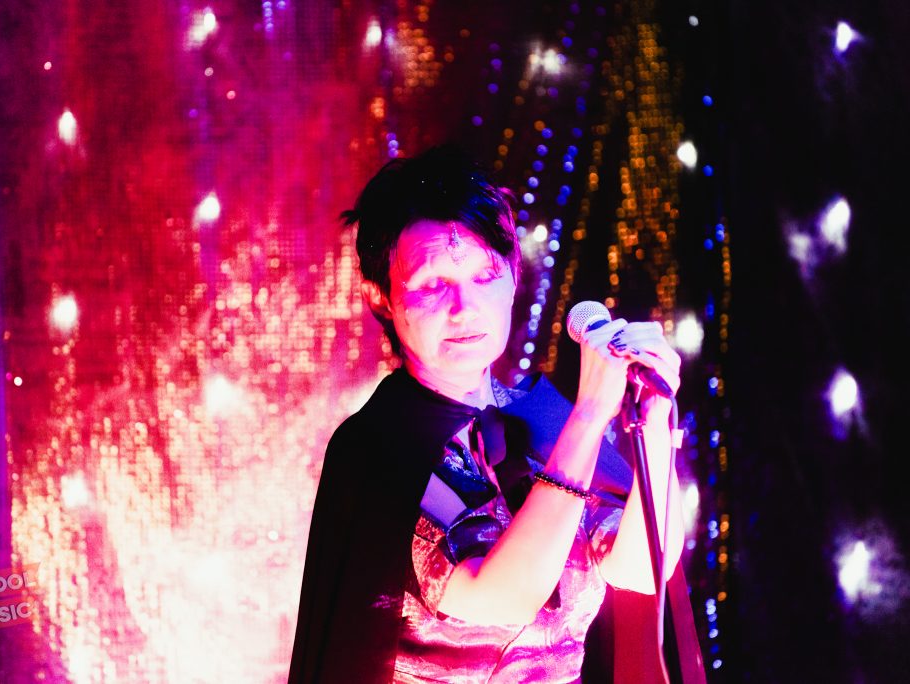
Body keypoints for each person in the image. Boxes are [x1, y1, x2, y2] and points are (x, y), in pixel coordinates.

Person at [288, 144, 684, 683]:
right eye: (433, 285)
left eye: (484, 276)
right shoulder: (380, 447)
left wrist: (654, 422)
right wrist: (591, 415)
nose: (464, 309)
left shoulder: (542, 418)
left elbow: (640, 568)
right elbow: (502, 597)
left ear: (513, 276)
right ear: (380, 296)